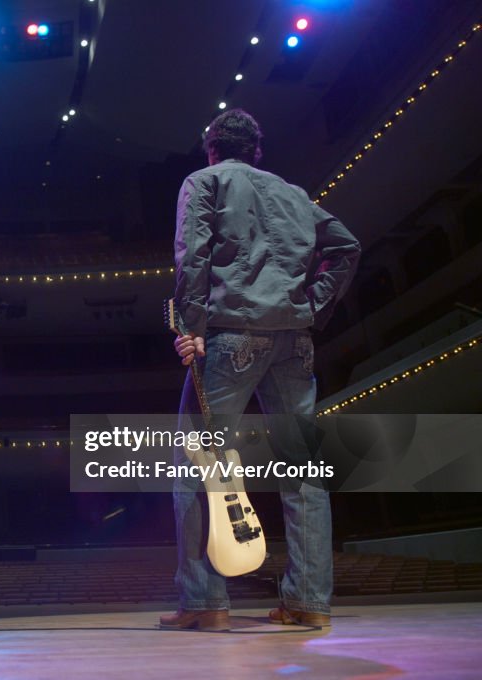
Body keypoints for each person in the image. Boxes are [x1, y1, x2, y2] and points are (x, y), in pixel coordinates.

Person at [158, 109, 361, 631]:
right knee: (304, 476)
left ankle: (205, 604)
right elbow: (346, 246)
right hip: (294, 341)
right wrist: (313, 307)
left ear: (212, 149)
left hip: (232, 335)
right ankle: (309, 602)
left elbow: (193, 254)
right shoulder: (294, 194)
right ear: (256, 151)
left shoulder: (204, 181)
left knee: (195, 466)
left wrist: (192, 325)